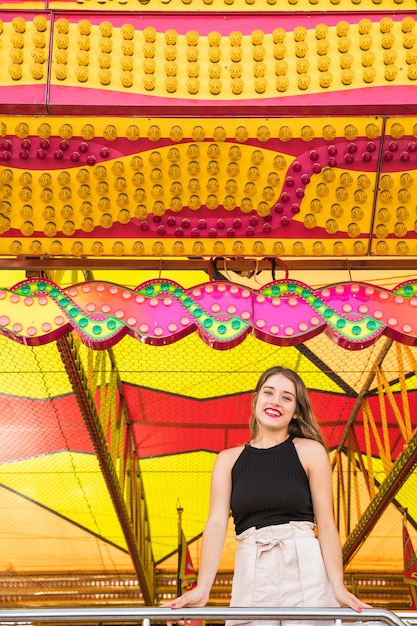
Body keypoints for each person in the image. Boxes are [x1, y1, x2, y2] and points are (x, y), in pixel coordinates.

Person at [165, 366, 371, 625]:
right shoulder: (227, 460)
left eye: (287, 397)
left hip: (304, 564)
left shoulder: (310, 451)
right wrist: (203, 588)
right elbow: (216, 523)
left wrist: (338, 587)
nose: (275, 401)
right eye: (269, 392)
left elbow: (327, 524)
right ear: (255, 400)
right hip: (252, 564)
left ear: (296, 411)